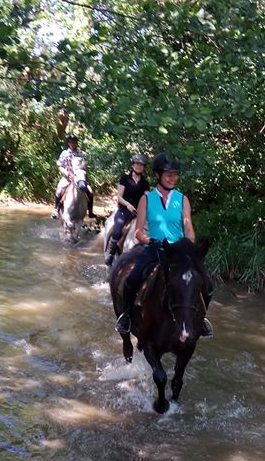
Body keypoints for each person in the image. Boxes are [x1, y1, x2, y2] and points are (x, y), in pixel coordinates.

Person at [115, 153, 213, 338]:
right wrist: (149, 240)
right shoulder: (146, 199)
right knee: (132, 278)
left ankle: (201, 321)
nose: (173, 178)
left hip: (179, 251)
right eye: (168, 174)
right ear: (158, 175)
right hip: (155, 248)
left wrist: (189, 245)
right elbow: (138, 232)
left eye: (175, 174)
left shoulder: (182, 199)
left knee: (207, 284)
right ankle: (126, 316)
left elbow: (188, 227)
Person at [104, 153, 150, 266]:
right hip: (124, 210)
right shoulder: (125, 179)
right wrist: (127, 204)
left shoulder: (145, 183)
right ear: (133, 164)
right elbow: (119, 196)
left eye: (141, 164)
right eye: (137, 164)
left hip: (138, 212)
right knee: (118, 230)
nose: (139, 166)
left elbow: (147, 197)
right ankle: (111, 253)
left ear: (143, 167)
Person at [52, 134, 94, 219]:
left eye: (75, 142)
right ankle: (56, 210)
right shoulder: (64, 153)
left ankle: (90, 212)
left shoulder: (81, 154)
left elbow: (85, 166)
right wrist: (66, 173)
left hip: (79, 177)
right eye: (71, 142)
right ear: (69, 143)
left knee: (90, 191)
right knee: (59, 189)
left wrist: (84, 171)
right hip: (68, 177)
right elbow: (59, 165)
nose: (73, 144)